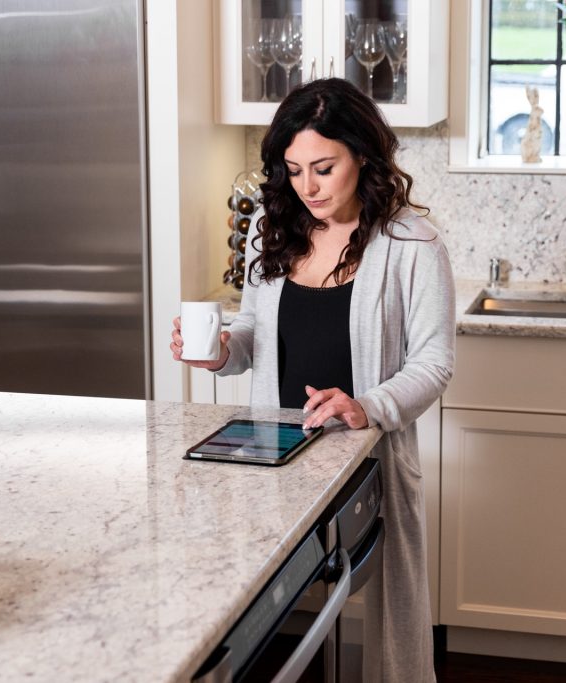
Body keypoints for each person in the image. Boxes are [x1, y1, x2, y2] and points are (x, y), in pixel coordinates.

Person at [170, 77, 454, 682]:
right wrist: (220, 352)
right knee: (259, 617)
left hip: (362, 460)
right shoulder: (270, 230)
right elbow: (250, 333)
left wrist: (365, 406)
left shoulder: (412, 244)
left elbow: (434, 363)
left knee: (382, 611)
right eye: (294, 170)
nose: (308, 187)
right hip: (275, 453)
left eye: (323, 167)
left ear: (363, 156)